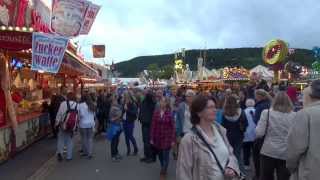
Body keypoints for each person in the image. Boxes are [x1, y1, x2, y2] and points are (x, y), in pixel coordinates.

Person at [176, 95, 240, 180]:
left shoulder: (221, 131)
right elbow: (183, 172)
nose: (215, 110)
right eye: (210, 107)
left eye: (215, 107)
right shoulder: (189, 140)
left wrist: (231, 167)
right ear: (199, 112)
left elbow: (231, 155)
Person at [256, 92, 295, 180]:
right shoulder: (294, 115)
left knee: (266, 176)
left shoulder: (267, 113)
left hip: (268, 151)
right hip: (286, 152)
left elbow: (259, 133)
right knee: (284, 177)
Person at [287, 80, 320, 180]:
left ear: (309, 96)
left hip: (312, 171)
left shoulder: (305, 114)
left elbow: (295, 147)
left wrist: (291, 167)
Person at [222, 94, 248, 176]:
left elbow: (222, 125)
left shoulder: (224, 112)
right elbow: (246, 124)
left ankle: (230, 173)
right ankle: (241, 174)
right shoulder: (241, 111)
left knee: (229, 155)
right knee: (238, 155)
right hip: (238, 136)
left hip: (228, 136)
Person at [150, 97, 176, 178]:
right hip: (158, 137)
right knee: (160, 155)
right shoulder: (156, 113)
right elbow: (153, 126)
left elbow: (173, 127)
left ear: (166, 103)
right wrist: (151, 138)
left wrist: (173, 140)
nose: (162, 103)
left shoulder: (170, 114)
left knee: (165, 155)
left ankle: (163, 171)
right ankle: (163, 167)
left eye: (164, 102)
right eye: (161, 101)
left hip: (167, 138)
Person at [253, 89, 272, 179]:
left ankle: (259, 175)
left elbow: (256, 120)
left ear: (259, 96)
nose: (255, 97)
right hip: (270, 133)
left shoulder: (260, 106)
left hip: (261, 133)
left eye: (256, 96)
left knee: (257, 156)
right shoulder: (270, 103)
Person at [55, 92, 78, 161]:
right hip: (72, 126)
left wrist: (56, 122)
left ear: (67, 97)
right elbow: (78, 116)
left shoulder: (63, 104)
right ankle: (69, 156)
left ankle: (60, 153)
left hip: (63, 124)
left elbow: (59, 114)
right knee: (70, 141)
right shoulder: (77, 105)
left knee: (61, 139)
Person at [139, 90, 156, 163]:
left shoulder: (150, 102)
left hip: (148, 123)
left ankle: (150, 157)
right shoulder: (145, 101)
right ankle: (147, 156)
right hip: (144, 123)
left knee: (148, 141)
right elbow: (142, 110)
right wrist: (140, 117)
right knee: (145, 140)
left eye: (146, 93)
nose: (144, 93)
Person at [78, 94, 96, 159]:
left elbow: (81, 115)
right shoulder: (92, 104)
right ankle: (90, 153)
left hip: (83, 124)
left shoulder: (80, 105)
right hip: (91, 124)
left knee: (84, 138)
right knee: (90, 139)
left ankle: (85, 152)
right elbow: (94, 115)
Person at [109, 94, 123, 162]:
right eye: (115, 99)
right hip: (114, 126)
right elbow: (111, 119)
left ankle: (116, 153)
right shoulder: (112, 108)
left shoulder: (117, 106)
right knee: (114, 141)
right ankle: (113, 155)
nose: (116, 100)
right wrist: (118, 117)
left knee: (117, 140)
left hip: (118, 126)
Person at [243, 99, 256, 170]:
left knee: (246, 150)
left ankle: (246, 164)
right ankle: (256, 164)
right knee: (255, 151)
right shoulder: (257, 110)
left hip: (246, 134)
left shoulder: (243, 111)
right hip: (255, 133)